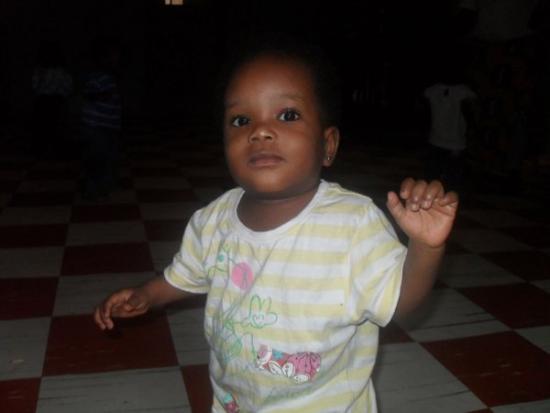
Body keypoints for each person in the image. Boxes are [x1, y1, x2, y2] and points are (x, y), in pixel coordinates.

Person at [94, 40, 458, 412]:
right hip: (236, 402)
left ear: (327, 145)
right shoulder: (212, 220)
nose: (260, 132)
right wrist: (148, 295)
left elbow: (400, 302)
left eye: (287, 115)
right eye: (241, 120)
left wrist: (425, 247)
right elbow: (186, 275)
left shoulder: (353, 223)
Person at [79, 36, 122, 201]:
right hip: (95, 126)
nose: (117, 60)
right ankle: (91, 190)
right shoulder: (97, 76)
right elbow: (88, 94)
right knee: (96, 159)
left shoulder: (110, 77)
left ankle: (102, 188)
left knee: (105, 158)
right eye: (113, 56)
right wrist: (104, 94)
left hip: (107, 125)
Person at [423, 62, 477, 191]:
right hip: (454, 141)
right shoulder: (463, 91)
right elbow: (474, 104)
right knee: (451, 180)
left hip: (438, 139)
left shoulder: (432, 90)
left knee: (434, 176)